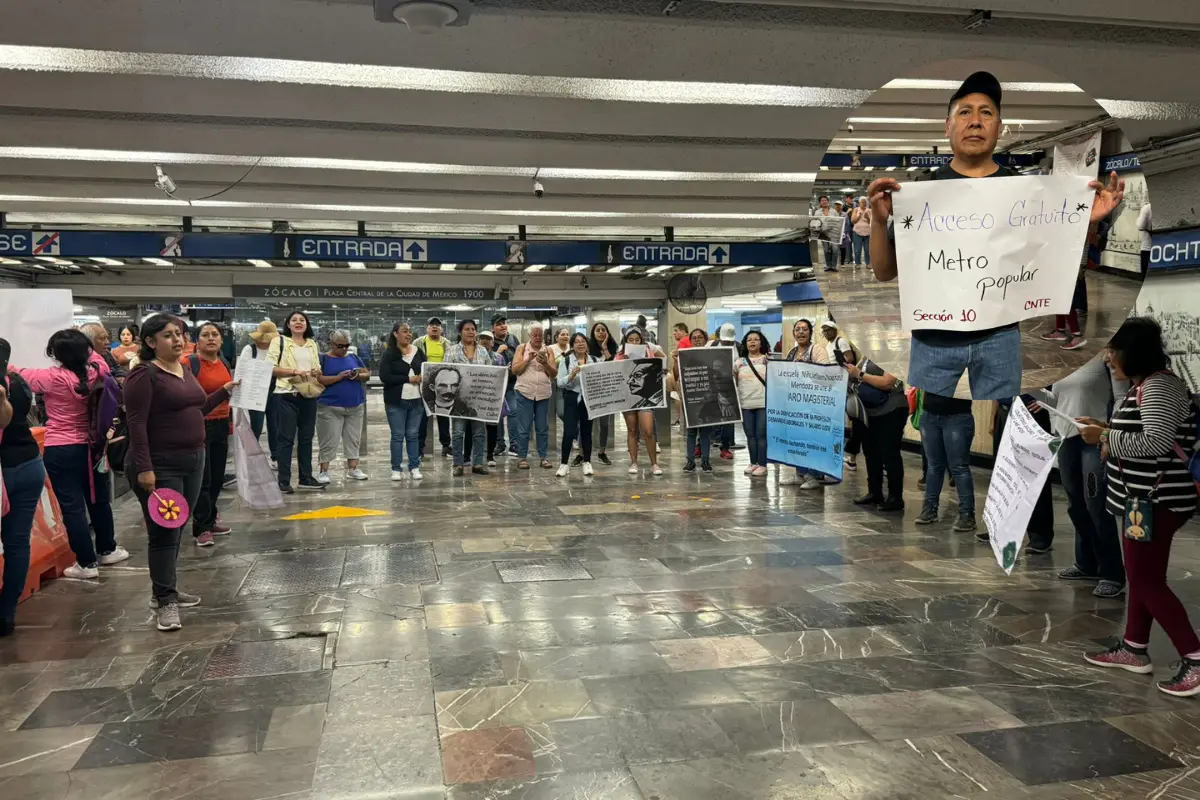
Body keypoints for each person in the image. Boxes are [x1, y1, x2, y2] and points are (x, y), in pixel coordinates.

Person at [867, 70, 1125, 401]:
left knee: (1004, 418)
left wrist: (1084, 222)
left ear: (999, 129)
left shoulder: (1028, 193)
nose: (975, 121)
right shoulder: (921, 191)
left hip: (1000, 337)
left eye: (986, 113)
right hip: (933, 339)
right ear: (947, 127)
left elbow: (1054, 266)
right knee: (932, 423)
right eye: (965, 112)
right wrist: (877, 221)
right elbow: (884, 271)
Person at [1079, 317, 1200, 696]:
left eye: (1114, 350)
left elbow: (1155, 443)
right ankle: (1134, 647)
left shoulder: (1161, 387)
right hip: (1142, 501)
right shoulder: (1143, 386)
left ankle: (1195, 657)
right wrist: (1105, 428)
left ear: (1135, 352)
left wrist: (1107, 436)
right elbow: (1139, 434)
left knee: (1147, 580)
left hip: (1157, 501)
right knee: (1142, 575)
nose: (1108, 357)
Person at [124, 314, 236, 631]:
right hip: (161, 465)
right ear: (149, 342)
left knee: (177, 527)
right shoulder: (143, 375)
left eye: (180, 334)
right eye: (168, 335)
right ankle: (165, 602)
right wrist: (145, 468)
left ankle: (164, 589)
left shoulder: (183, 369)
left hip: (193, 458)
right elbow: (136, 425)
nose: (177, 340)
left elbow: (195, 409)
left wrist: (224, 391)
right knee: (163, 533)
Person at [13, 329, 126, 578]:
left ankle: (86, 564)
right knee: (98, 500)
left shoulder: (49, 378)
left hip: (60, 449)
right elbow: (97, 356)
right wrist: (84, 340)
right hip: (92, 448)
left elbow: (15, 372)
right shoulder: (98, 370)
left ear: (55, 353)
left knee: (72, 507)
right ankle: (107, 550)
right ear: (86, 350)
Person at [1036, 356, 1128, 597]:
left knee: (1096, 505)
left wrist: (1109, 431)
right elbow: (1055, 401)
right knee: (1076, 505)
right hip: (1066, 439)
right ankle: (1086, 563)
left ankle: (1112, 573)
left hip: (1093, 440)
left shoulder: (1104, 359)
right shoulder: (1061, 361)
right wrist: (1028, 388)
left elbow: (1120, 398)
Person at [1, 338, 46, 637]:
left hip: (2, 472)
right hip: (29, 464)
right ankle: (6, 613)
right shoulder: (17, 382)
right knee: (17, 544)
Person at [267, 310, 325, 494]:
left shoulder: (312, 344)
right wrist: (294, 372)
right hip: (286, 393)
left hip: (308, 394)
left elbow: (318, 366)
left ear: (307, 324)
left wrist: (316, 371)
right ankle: (283, 480)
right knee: (286, 438)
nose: (298, 322)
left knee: (307, 437)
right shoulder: (280, 341)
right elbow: (270, 367)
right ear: (288, 324)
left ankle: (305, 477)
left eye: (302, 320)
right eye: (294, 320)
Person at [187, 322, 234, 547]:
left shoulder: (224, 362)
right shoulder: (190, 363)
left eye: (215, 334)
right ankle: (201, 527)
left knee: (216, 476)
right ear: (198, 341)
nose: (211, 338)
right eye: (205, 335)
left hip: (221, 424)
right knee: (203, 479)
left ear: (221, 340)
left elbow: (230, 394)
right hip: (199, 426)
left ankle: (211, 517)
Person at [990, 396, 1056, 550]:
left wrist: (1048, 401)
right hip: (1004, 411)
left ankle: (1040, 533)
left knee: (1034, 475)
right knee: (1004, 472)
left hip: (1030, 413)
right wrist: (993, 416)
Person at [914, 384, 978, 533]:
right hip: (930, 413)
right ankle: (930, 508)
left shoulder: (965, 360)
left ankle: (967, 514)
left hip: (957, 414)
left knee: (959, 467)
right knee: (934, 465)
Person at [846, 359, 907, 512]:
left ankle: (895, 497)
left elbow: (887, 382)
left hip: (891, 409)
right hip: (870, 411)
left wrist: (859, 374)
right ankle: (874, 492)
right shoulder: (867, 355)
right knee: (870, 452)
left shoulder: (894, 354)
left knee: (889, 454)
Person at [781, 319, 834, 488]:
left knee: (812, 440)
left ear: (810, 332)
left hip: (814, 406)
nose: (801, 332)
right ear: (793, 333)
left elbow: (827, 375)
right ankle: (800, 474)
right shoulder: (791, 352)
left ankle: (815, 476)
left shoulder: (817, 350)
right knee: (797, 440)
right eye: (798, 329)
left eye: (805, 329)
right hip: (795, 405)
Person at [315, 329, 371, 485]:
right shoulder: (323, 359)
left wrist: (357, 376)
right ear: (331, 344)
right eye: (340, 346)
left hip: (355, 405)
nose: (344, 349)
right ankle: (324, 470)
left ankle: (353, 468)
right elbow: (319, 379)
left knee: (353, 439)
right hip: (330, 406)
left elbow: (366, 373)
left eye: (347, 345)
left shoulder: (354, 357)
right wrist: (339, 377)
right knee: (328, 439)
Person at [444, 319, 493, 477]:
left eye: (473, 329)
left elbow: (491, 373)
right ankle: (458, 464)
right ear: (460, 332)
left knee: (479, 432)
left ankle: (477, 463)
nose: (471, 332)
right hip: (458, 399)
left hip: (479, 398)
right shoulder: (451, 351)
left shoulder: (483, 352)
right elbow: (445, 373)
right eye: (467, 329)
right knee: (458, 432)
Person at [379, 322, 425, 482]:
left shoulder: (418, 351)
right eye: (405, 331)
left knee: (413, 435)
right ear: (395, 334)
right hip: (396, 401)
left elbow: (427, 369)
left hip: (416, 400)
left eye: (410, 331)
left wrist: (423, 378)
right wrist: (408, 378)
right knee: (397, 436)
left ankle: (415, 466)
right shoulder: (389, 354)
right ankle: (396, 468)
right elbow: (385, 377)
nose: (408, 334)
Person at [616, 326, 665, 476]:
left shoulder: (649, 350)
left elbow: (662, 360)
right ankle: (633, 462)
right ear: (626, 341)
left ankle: (654, 464)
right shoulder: (619, 354)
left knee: (648, 430)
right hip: (628, 397)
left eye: (637, 339)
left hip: (646, 397)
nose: (634, 342)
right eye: (631, 340)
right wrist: (620, 363)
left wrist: (661, 369)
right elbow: (614, 373)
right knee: (632, 430)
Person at [510, 324, 557, 470]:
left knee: (542, 427)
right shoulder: (522, 348)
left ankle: (543, 457)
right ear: (530, 335)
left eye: (540, 335)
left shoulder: (548, 350)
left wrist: (545, 364)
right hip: (524, 392)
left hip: (543, 393)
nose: (538, 337)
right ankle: (522, 457)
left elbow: (554, 373)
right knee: (524, 427)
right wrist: (528, 360)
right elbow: (515, 370)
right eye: (535, 334)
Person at [556, 332, 599, 478]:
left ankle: (587, 462)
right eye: (577, 342)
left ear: (587, 344)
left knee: (587, 432)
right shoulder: (566, 361)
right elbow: (560, 382)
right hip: (572, 398)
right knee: (569, 432)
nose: (580, 344)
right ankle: (563, 464)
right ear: (572, 345)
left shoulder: (594, 360)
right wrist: (571, 376)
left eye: (583, 341)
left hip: (588, 399)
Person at [239, 320, 279, 466]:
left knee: (275, 425)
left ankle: (275, 456)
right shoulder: (249, 350)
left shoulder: (277, 351)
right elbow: (243, 370)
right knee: (256, 424)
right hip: (255, 391)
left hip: (274, 390)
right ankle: (251, 456)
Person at [674, 328, 713, 473]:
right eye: (694, 338)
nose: (697, 340)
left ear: (705, 339)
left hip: (707, 398)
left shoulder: (711, 355)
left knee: (705, 432)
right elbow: (677, 375)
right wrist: (675, 360)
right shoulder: (685, 356)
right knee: (691, 432)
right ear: (690, 341)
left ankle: (706, 461)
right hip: (690, 398)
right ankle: (690, 461)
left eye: (700, 337)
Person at [414, 317, 452, 456]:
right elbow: (414, 360)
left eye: (437, 325)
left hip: (442, 384)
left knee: (443, 414)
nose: (434, 327)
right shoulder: (419, 342)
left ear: (441, 329)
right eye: (431, 325)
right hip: (424, 383)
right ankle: (420, 446)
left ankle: (446, 445)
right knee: (423, 415)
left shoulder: (447, 343)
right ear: (427, 328)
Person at [737, 330, 770, 477]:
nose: (752, 342)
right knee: (750, 435)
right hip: (745, 404)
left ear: (761, 343)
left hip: (763, 403)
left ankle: (762, 464)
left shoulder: (767, 360)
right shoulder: (739, 362)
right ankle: (753, 462)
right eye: (749, 339)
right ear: (745, 343)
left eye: (756, 339)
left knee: (761, 434)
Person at [708, 323, 739, 459]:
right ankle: (701, 445)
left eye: (729, 340)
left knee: (728, 419)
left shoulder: (739, 347)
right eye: (724, 340)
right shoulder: (711, 345)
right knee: (709, 417)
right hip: (713, 386)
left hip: (730, 387)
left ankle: (725, 447)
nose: (727, 342)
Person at [588, 322, 617, 466]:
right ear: (593, 333)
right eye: (597, 330)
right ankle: (583, 454)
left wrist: (605, 348)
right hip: (591, 390)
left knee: (605, 424)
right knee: (586, 423)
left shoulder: (613, 347)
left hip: (607, 391)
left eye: (603, 330)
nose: (600, 333)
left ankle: (602, 452)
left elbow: (613, 365)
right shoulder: (587, 347)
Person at [490, 315, 520, 457]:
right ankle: (499, 444)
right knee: (498, 415)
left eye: (504, 323)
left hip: (512, 383)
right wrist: (499, 352)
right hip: (496, 384)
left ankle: (514, 444)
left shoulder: (513, 339)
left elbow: (520, 355)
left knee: (513, 412)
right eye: (499, 324)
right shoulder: (489, 341)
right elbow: (487, 360)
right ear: (493, 328)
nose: (503, 326)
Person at [476, 330, 506, 466]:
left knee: (492, 426)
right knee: (476, 427)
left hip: (493, 397)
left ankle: (490, 456)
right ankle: (474, 455)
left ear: (493, 342)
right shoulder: (474, 356)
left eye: (488, 339)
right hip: (476, 396)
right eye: (482, 338)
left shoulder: (498, 358)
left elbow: (503, 377)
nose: (485, 341)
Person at [812, 195, 840, 272]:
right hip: (823, 234)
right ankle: (828, 265)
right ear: (820, 202)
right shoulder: (817, 212)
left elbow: (839, 221)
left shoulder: (833, 211)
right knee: (826, 249)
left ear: (828, 201)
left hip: (834, 233)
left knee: (835, 249)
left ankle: (834, 266)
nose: (824, 202)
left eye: (825, 200)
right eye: (822, 200)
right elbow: (815, 222)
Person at [550, 327, 572, 422]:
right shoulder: (551, 349)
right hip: (556, 383)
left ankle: (575, 430)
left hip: (570, 381)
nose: (565, 336)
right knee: (560, 412)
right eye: (562, 334)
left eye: (567, 334)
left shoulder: (572, 348)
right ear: (556, 337)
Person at [851, 197, 872, 266]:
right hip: (857, 232)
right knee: (857, 250)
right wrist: (859, 216)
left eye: (865, 202)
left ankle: (868, 263)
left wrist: (867, 217)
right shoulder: (856, 210)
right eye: (862, 202)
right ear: (859, 203)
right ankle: (857, 263)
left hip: (868, 233)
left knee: (867, 250)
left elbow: (872, 223)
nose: (864, 203)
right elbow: (853, 221)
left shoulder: (869, 211)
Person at [1137, 203, 1152, 276]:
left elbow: (1140, 226)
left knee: (1146, 274)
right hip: (1162, 247)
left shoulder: (1147, 208)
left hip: (1147, 247)